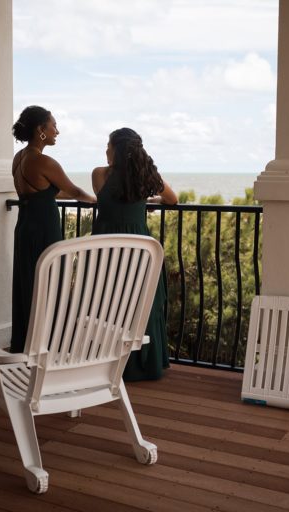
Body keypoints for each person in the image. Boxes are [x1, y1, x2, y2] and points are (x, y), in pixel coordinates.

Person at [91, 127, 177, 380]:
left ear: (117, 149)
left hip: (106, 249)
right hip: (139, 249)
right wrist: (150, 202)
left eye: (108, 146)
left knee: (108, 302)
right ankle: (143, 364)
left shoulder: (99, 175)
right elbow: (172, 199)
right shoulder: (146, 175)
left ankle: (107, 360)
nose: (106, 150)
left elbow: (105, 200)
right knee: (140, 303)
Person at [10, 106, 96, 353]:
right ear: (41, 130)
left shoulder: (20, 158)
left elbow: (45, 192)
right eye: (53, 125)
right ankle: (50, 345)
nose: (57, 131)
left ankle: (27, 343)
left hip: (25, 227)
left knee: (28, 283)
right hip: (44, 230)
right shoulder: (45, 161)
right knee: (50, 282)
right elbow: (75, 191)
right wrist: (97, 200)